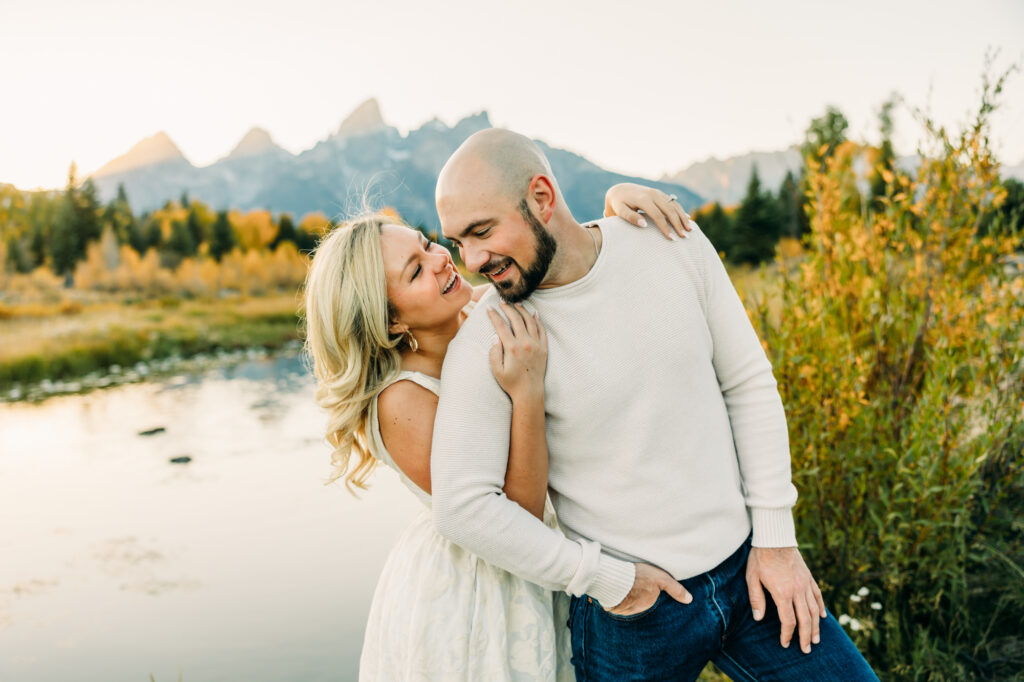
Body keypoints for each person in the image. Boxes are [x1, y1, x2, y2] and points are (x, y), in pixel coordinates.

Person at [430, 129, 879, 681]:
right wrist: (605, 580)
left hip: (752, 572)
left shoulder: (671, 242)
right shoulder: (489, 336)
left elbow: (747, 384)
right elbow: (461, 506)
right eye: (456, 242)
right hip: (631, 619)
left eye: (482, 231)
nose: (472, 260)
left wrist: (777, 540)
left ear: (542, 197)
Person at [302, 183, 691, 680]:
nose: (441, 259)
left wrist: (612, 213)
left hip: (545, 556)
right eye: (416, 270)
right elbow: (515, 515)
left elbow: (554, 265)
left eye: (425, 244)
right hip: (478, 587)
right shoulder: (400, 401)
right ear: (391, 322)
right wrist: (526, 393)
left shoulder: (478, 311)